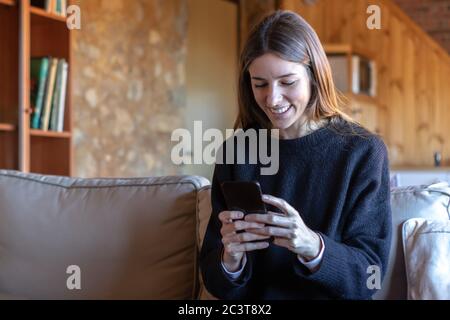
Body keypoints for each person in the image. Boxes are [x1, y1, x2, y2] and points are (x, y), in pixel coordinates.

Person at [199, 10, 391, 300]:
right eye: (260, 84)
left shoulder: (362, 152)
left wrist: (312, 245)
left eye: (287, 82)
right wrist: (230, 260)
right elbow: (215, 282)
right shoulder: (236, 152)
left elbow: (369, 278)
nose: (272, 99)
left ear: (315, 76)